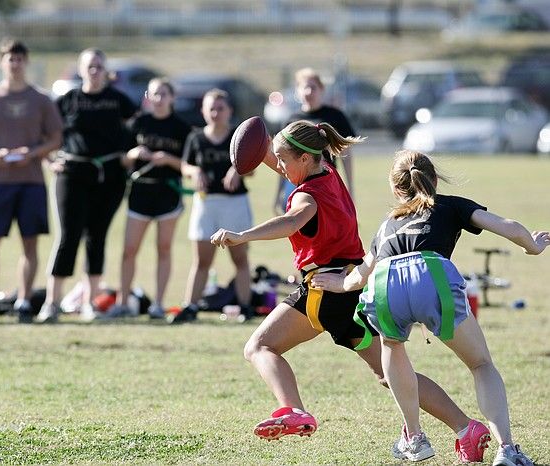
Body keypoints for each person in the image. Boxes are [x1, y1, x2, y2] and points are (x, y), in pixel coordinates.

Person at [210, 123, 492, 464]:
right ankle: (466, 428)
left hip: (324, 290)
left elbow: (291, 221)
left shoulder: (304, 196)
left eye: (281, 159)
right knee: (388, 374)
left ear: (303, 157)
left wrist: (242, 236)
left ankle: (295, 410)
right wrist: (264, 148)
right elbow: (292, 165)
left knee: (259, 346)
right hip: (351, 287)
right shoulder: (325, 170)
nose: (277, 165)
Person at [311, 150, 544, 465]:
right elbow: (509, 226)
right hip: (430, 275)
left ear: (396, 189)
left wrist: (336, 284)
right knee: (480, 365)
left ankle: (415, 438)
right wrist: (533, 245)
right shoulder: (449, 204)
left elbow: (357, 278)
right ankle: (506, 451)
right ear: (434, 179)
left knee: (392, 347)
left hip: (384, 282)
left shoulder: (386, 225)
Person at [36, 48, 137, 323]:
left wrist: (130, 156)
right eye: (89, 66)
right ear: (80, 70)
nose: (94, 71)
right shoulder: (68, 100)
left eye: (99, 66)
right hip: (72, 174)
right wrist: (48, 159)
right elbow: (42, 132)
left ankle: (89, 303)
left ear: (106, 70)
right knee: (68, 236)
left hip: (110, 177)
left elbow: (139, 130)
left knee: (97, 237)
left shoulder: (119, 101)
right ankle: (52, 302)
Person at [0, 38, 63, 323]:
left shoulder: (41, 99)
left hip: (31, 182)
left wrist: (32, 153)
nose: (15, 63)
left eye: (20, 58)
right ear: (2, 62)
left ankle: (23, 301)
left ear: (27, 62)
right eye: (10, 58)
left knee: (30, 244)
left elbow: (56, 138)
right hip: (0, 181)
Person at [106, 78, 191, 319]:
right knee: (129, 249)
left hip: (168, 194)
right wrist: (134, 154)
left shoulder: (182, 128)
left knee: (163, 249)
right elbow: (122, 159)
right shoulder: (138, 123)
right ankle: (123, 302)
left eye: (164, 94)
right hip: (140, 193)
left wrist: (168, 159)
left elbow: (189, 165)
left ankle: (158, 304)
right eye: (155, 94)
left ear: (172, 97)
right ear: (148, 96)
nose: (159, 99)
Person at [171, 88, 253, 324]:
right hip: (206, 203)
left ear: (229, 111)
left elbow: (252, 167)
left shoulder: (237, 138)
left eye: (220, 108)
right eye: (211, 109)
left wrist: (237, 170)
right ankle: (191, 306)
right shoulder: (195, 137)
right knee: (202, 260)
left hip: (234, 203)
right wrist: (194, 171)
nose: (216, 113)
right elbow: (185, 166)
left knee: (240, 259)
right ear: (203, 111)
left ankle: (246, 306)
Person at [274, 68, 357, 214]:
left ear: (321, 90)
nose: (308, 92)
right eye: (304, 87)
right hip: (296, 181)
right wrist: (279, 193)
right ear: (297, 91)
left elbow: (346, 154)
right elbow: (282, 159)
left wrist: (350, 187)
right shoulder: (291, 120)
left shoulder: (335, 116)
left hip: (323, 181)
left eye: (313, 87)